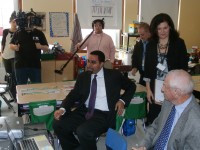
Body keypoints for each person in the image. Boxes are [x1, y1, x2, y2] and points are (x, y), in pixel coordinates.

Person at [53, 50, 135, 150]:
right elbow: (73, 95)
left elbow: (131, 86)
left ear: (101, 64)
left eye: (93, 62)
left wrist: (122, 101)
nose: (89, 65)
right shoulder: (83, 76)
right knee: (58, 124)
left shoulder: (114, 75)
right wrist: (63, 109)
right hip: (85, 111)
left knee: (83, 131)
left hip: (104, 114)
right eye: (88, 61)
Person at [132, 69, 200, 150]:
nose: (162, 89)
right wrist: (143, 146)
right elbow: (156, 126)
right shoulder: (168, 102)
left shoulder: (196, 122)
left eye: (165, 86)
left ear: (176, 92)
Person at [143, 13, 188, 124]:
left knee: (171, 118)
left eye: (165, 28)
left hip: (174, 87)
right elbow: (148, 69)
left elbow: (184, 68)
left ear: (170, 27)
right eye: (159, 29)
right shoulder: (151, 44)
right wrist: (148, 89)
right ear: (155, 30)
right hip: (156, 85)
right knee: (154, 118)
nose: (162, 31)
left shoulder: (178, 43)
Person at [9, 11, 49, 85]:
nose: (29, 21)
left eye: (31, 19)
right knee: (21, 88)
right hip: (20, 66)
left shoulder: (39, 33)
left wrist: (40, 46)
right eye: (28, 19)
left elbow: (47, 48)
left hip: (35, 65)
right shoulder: (18, 32)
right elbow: (10, 45)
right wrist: (15, 47)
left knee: (37, 88)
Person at [1, 11, 17, 100]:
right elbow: (3, 43)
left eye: (16, 22)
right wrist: (1, 53)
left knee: (15, 77)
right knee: (9, 77)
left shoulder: (18, 32)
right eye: (13, 22)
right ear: (10, 22)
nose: (15, 24)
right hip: (5, 57)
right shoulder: (5, 31)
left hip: (15, 57)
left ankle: (16, 96)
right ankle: (12, 95)